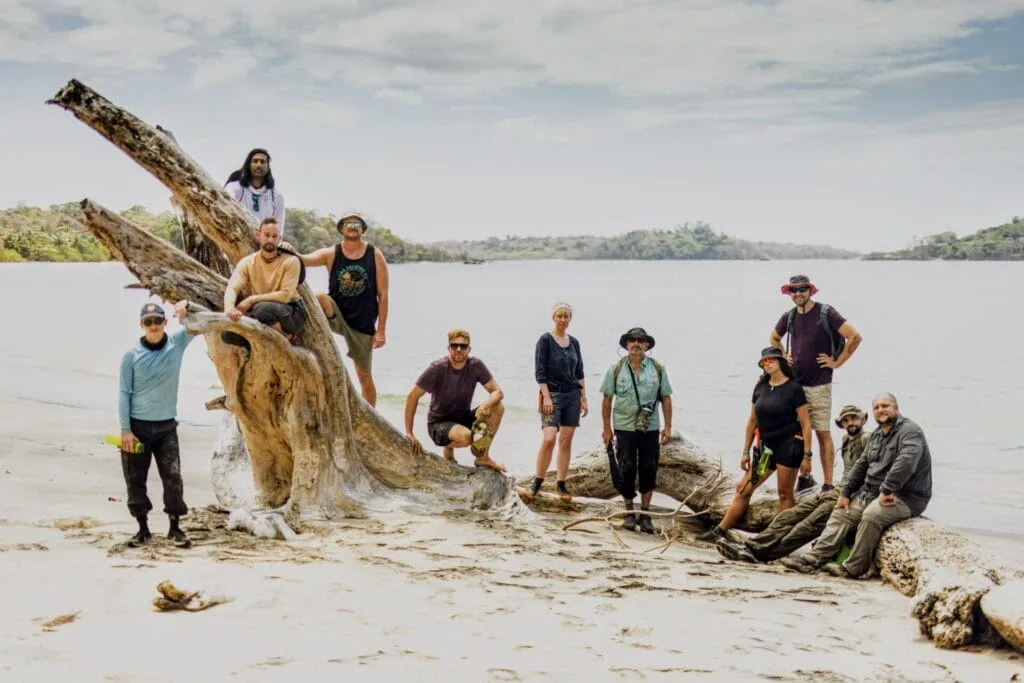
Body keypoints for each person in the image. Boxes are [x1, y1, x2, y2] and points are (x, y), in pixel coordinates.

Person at [780, 393, 932, 578]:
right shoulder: (877, 435)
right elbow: (861, 465)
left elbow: (905, 463)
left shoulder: (910, 432)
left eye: (885, 406)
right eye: (876, 407)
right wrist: (845, 493)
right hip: (872, 492)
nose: (881, 410)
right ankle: (812, 560)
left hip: (905, 496)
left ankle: (853, 568)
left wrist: (886, 490)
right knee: (841, 513)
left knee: (871, 515)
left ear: (896, 408)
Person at [715, 403, 871, 563]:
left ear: (863, 419)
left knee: (807, 526)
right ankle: (751, 546)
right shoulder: (846, 440)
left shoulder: (867, 439)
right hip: (835, 491)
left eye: (854, 418)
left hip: (848, 495)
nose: (850, 422)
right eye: (846, 420)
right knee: (789, 516)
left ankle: (761, 554)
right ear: (842, 424)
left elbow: (873, 472)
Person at [696, 347, 813, 543]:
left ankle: (782, 538)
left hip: (789, 446)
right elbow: (752, 421)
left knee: (785, 494)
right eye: (764, 362)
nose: (767, 364)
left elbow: (806, 424)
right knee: (743, 488)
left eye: (770, 360)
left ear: (780, 362)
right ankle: (720, 531)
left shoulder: (794, 388)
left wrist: (807, 456)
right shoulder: (760, 387)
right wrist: (745, 451)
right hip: (766, 449)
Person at [769, 274, 862, 490]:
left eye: (802, 289)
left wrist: (837, 362)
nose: (798, 293)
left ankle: (828, 484)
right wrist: (784, 356)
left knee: (822, 432)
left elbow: (855, 336)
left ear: (810, 290)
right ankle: (803, 478)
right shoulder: (789, 316)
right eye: (794, 290)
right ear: (789, 293)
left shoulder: (826, 312)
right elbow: (773, 338)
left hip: (819, 384)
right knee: (798, 432)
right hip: (795, 384)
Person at [118, 300, 198, 548]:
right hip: (137, 428)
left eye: (157, 321)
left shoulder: (177, 343)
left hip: (166, 428)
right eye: (148, 322)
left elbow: (202, 322)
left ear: (166, 322)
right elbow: (124, 393)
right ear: (141, 325)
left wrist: (188, 307)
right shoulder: (131, 355)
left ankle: (175, 528)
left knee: (173, 477)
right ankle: (143, 529)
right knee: (135, 480)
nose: (153, 326)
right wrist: (125, 430)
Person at [301, 212, 389, 406]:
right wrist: (285, 249)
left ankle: (371, 417)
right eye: (347, 223)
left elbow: (383, 294)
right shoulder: (332, 253)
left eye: (356, 223)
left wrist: (381, 331)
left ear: (362, 229)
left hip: (362, 323)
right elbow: (304, 260)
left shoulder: (375, 254)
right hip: (337, 314)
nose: (352, 226)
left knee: (365, 377)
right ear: (341, 228)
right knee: (318, 297)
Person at [600, 327, 673, 535]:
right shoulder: (616, 369)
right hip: (623, 427)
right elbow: (607, 399)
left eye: (641, 341)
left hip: (650, 427)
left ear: (647, 345)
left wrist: (667, 427)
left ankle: (646, 514)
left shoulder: (657, 368)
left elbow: (666, 397)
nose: (636, 344)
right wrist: (606, 429)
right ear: (626, 345)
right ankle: (629, 513)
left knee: (649, 469)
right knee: (626, 469)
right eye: (632, 340)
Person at [405, 329, 507, 473]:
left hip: (462, 418)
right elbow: (412, 396)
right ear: (449, 348)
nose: (459, 349)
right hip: (438, 424)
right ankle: (449, 450)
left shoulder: (475, 365)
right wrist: (409, 432)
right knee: (465, 437)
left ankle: (482, 457)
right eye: (454, 346)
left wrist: (485, 405)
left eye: (463, 346)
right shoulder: (437, 369)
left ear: (469, 349)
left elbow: (498, 392)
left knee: (498, 406)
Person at [524, 302, 588, 502]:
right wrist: (547, 397)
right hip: (552, 395)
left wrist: (584, 397)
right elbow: (540, 372)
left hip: (572, 396)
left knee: (566, 441)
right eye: (559, 316)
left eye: (566, 316)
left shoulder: (574, 342)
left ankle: (561, 484)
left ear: (570, 319)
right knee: (549, 438)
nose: (562, 320)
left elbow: (579, 372)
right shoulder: (545, 340)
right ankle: (537, 482)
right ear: (553, 318)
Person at [223, 217, 307, 345]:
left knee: (261, 309)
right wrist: (229, 309)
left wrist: (251, 299)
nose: (270, 240)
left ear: (280, 238)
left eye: (275, 236)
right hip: (262, 312)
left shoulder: (291, 261)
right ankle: (263, 342)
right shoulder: (247, 262)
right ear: (258, 235)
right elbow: (233, 288)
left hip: (292, 313)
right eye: (267, 235)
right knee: (227, 334)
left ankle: (290, 337)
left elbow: (285, 295)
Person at [224, 148, 286, 234]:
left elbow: (278, 228)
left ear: (268, 167)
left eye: (262, 162)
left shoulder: (276, 196)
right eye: (255, 161)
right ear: (249, 165)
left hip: (265, 244)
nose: (259, 165)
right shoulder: (234, 188)